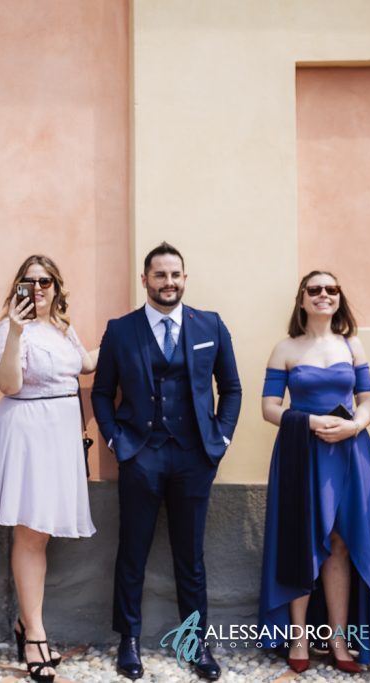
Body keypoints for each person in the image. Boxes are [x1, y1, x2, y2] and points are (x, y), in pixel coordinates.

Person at [91, 241, 241, 681]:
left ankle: (196, 644)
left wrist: (222, 437)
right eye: (160, 275)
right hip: (140, 455)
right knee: (132, 552)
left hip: (195, 456)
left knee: (190, 556)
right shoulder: (121, 331)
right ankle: (129, 640)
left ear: (185, 279)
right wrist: (116, 440)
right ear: (145, 280)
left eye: (175, 275)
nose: (168, 282)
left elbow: (231, 388)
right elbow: (102, 393)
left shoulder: (210, 325)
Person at [258, 270, 370, 673]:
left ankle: (339, 640)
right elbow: (269, 408)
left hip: (350, 452)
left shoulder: (352, 345)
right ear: (301, 300)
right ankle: (299, 638)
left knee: (341, 542)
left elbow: (368, 400)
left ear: (339, 299)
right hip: (301, 452)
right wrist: (309, 422)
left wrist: (354, 425)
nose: (323, 295)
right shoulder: (284, 348)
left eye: (331, 289)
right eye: (314, 289)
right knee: (301, 540)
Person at [0, 255, 98, 682]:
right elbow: (8, 384)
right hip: (27, 432)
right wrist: (16, 331)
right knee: (30, 532)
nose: (39, 288)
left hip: (61, 434)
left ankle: (29, 622)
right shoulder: (8, 329)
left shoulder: (64, 329)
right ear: (19, 287)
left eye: (46, 281)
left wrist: (128, 333)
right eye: (30, 281)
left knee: (41, 533)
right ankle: (35, 636)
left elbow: (85, 364)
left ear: (57, 287)